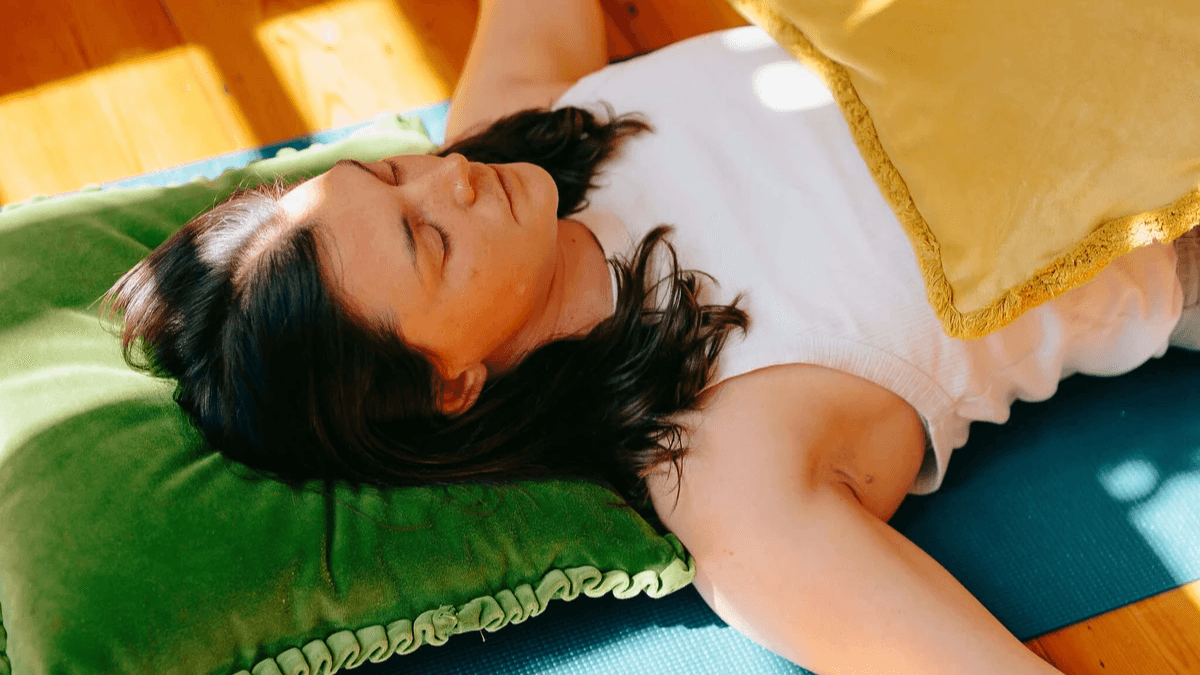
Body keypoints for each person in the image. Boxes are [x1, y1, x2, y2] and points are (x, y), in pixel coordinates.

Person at [101, 2, 1199, 673]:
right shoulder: (733, 473)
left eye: (389, 170)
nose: (448, 177)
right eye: (425, 239)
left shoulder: (520, 146)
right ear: (449, 386)